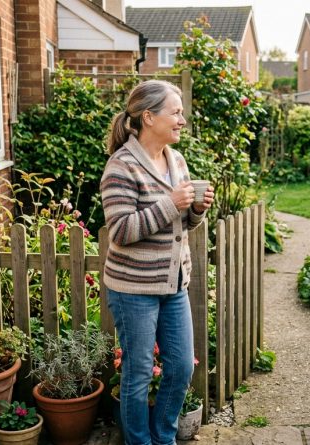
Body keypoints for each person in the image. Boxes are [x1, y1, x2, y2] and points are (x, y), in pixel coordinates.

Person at [101, 80, 214, 445]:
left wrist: (195, 211)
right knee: (136, 375)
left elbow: (181, 223)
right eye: (176, 112)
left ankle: (163, 437)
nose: (182, 119)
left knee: (180, 368)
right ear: (149, 117)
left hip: (173, 284)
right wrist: (172, 204)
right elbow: (120, 230)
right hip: (133, 289)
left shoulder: (175, 160)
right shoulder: (121, 166)